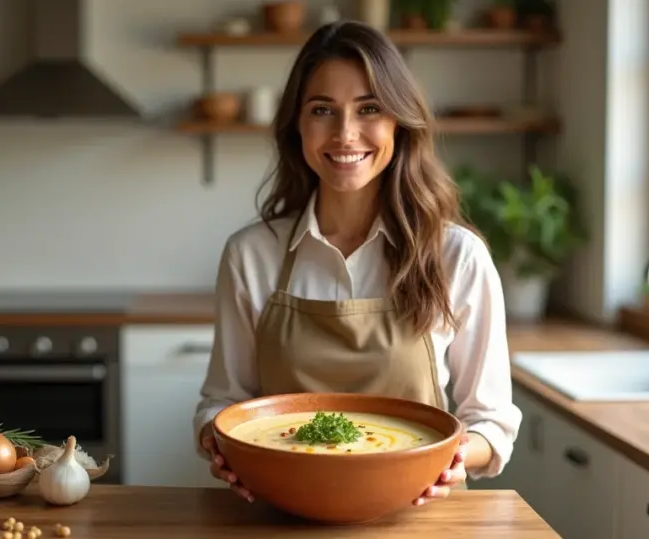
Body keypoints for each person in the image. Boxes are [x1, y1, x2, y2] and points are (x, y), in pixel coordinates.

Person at [192, 20, 522, 506]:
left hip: (420, 517)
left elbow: (491, 423)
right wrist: (218, 446)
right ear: (297, 127)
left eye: (369, 109)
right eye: (322, 110)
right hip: (283, 515)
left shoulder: (457, 256)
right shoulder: (251, 254)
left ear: (399, 123)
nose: (345, 134)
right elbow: (223, 403)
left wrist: (447, 461)